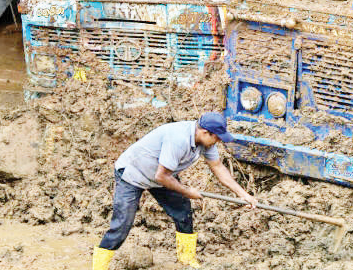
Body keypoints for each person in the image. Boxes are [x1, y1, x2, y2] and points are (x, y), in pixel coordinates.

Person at [92, 112, 257, 269]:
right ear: (205, 132)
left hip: (160, 176)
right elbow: (162, 176)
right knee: (122, 224)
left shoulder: (205, 141)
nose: (218, 142)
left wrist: (244, 195)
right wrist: (187, 192)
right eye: (217, 138)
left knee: (183, 212)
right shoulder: (178, 139)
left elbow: (218, 167)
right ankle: (100, 267)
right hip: (132, 173)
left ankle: (187, 260)